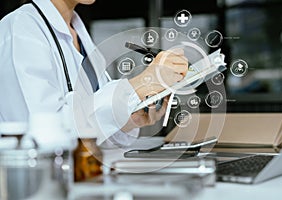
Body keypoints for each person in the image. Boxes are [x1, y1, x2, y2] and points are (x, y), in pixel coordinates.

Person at [0, 0, 188, 146]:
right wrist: (139, 85)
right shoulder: (20, 27)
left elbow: (96, 126)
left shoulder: (79, 33)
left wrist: (129, 119)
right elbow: (41, 137)